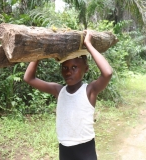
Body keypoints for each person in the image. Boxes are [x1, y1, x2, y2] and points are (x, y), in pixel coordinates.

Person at [23, 30, 113, 160]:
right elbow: (29, 78)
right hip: (64, 150)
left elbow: (107, 73)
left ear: (85, 69)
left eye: (74, 67)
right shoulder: (58, 91)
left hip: (85, 150)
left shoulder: (89, 91)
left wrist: (88, 44)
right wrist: (40, 51)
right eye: (64, 68)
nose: (68, 72)